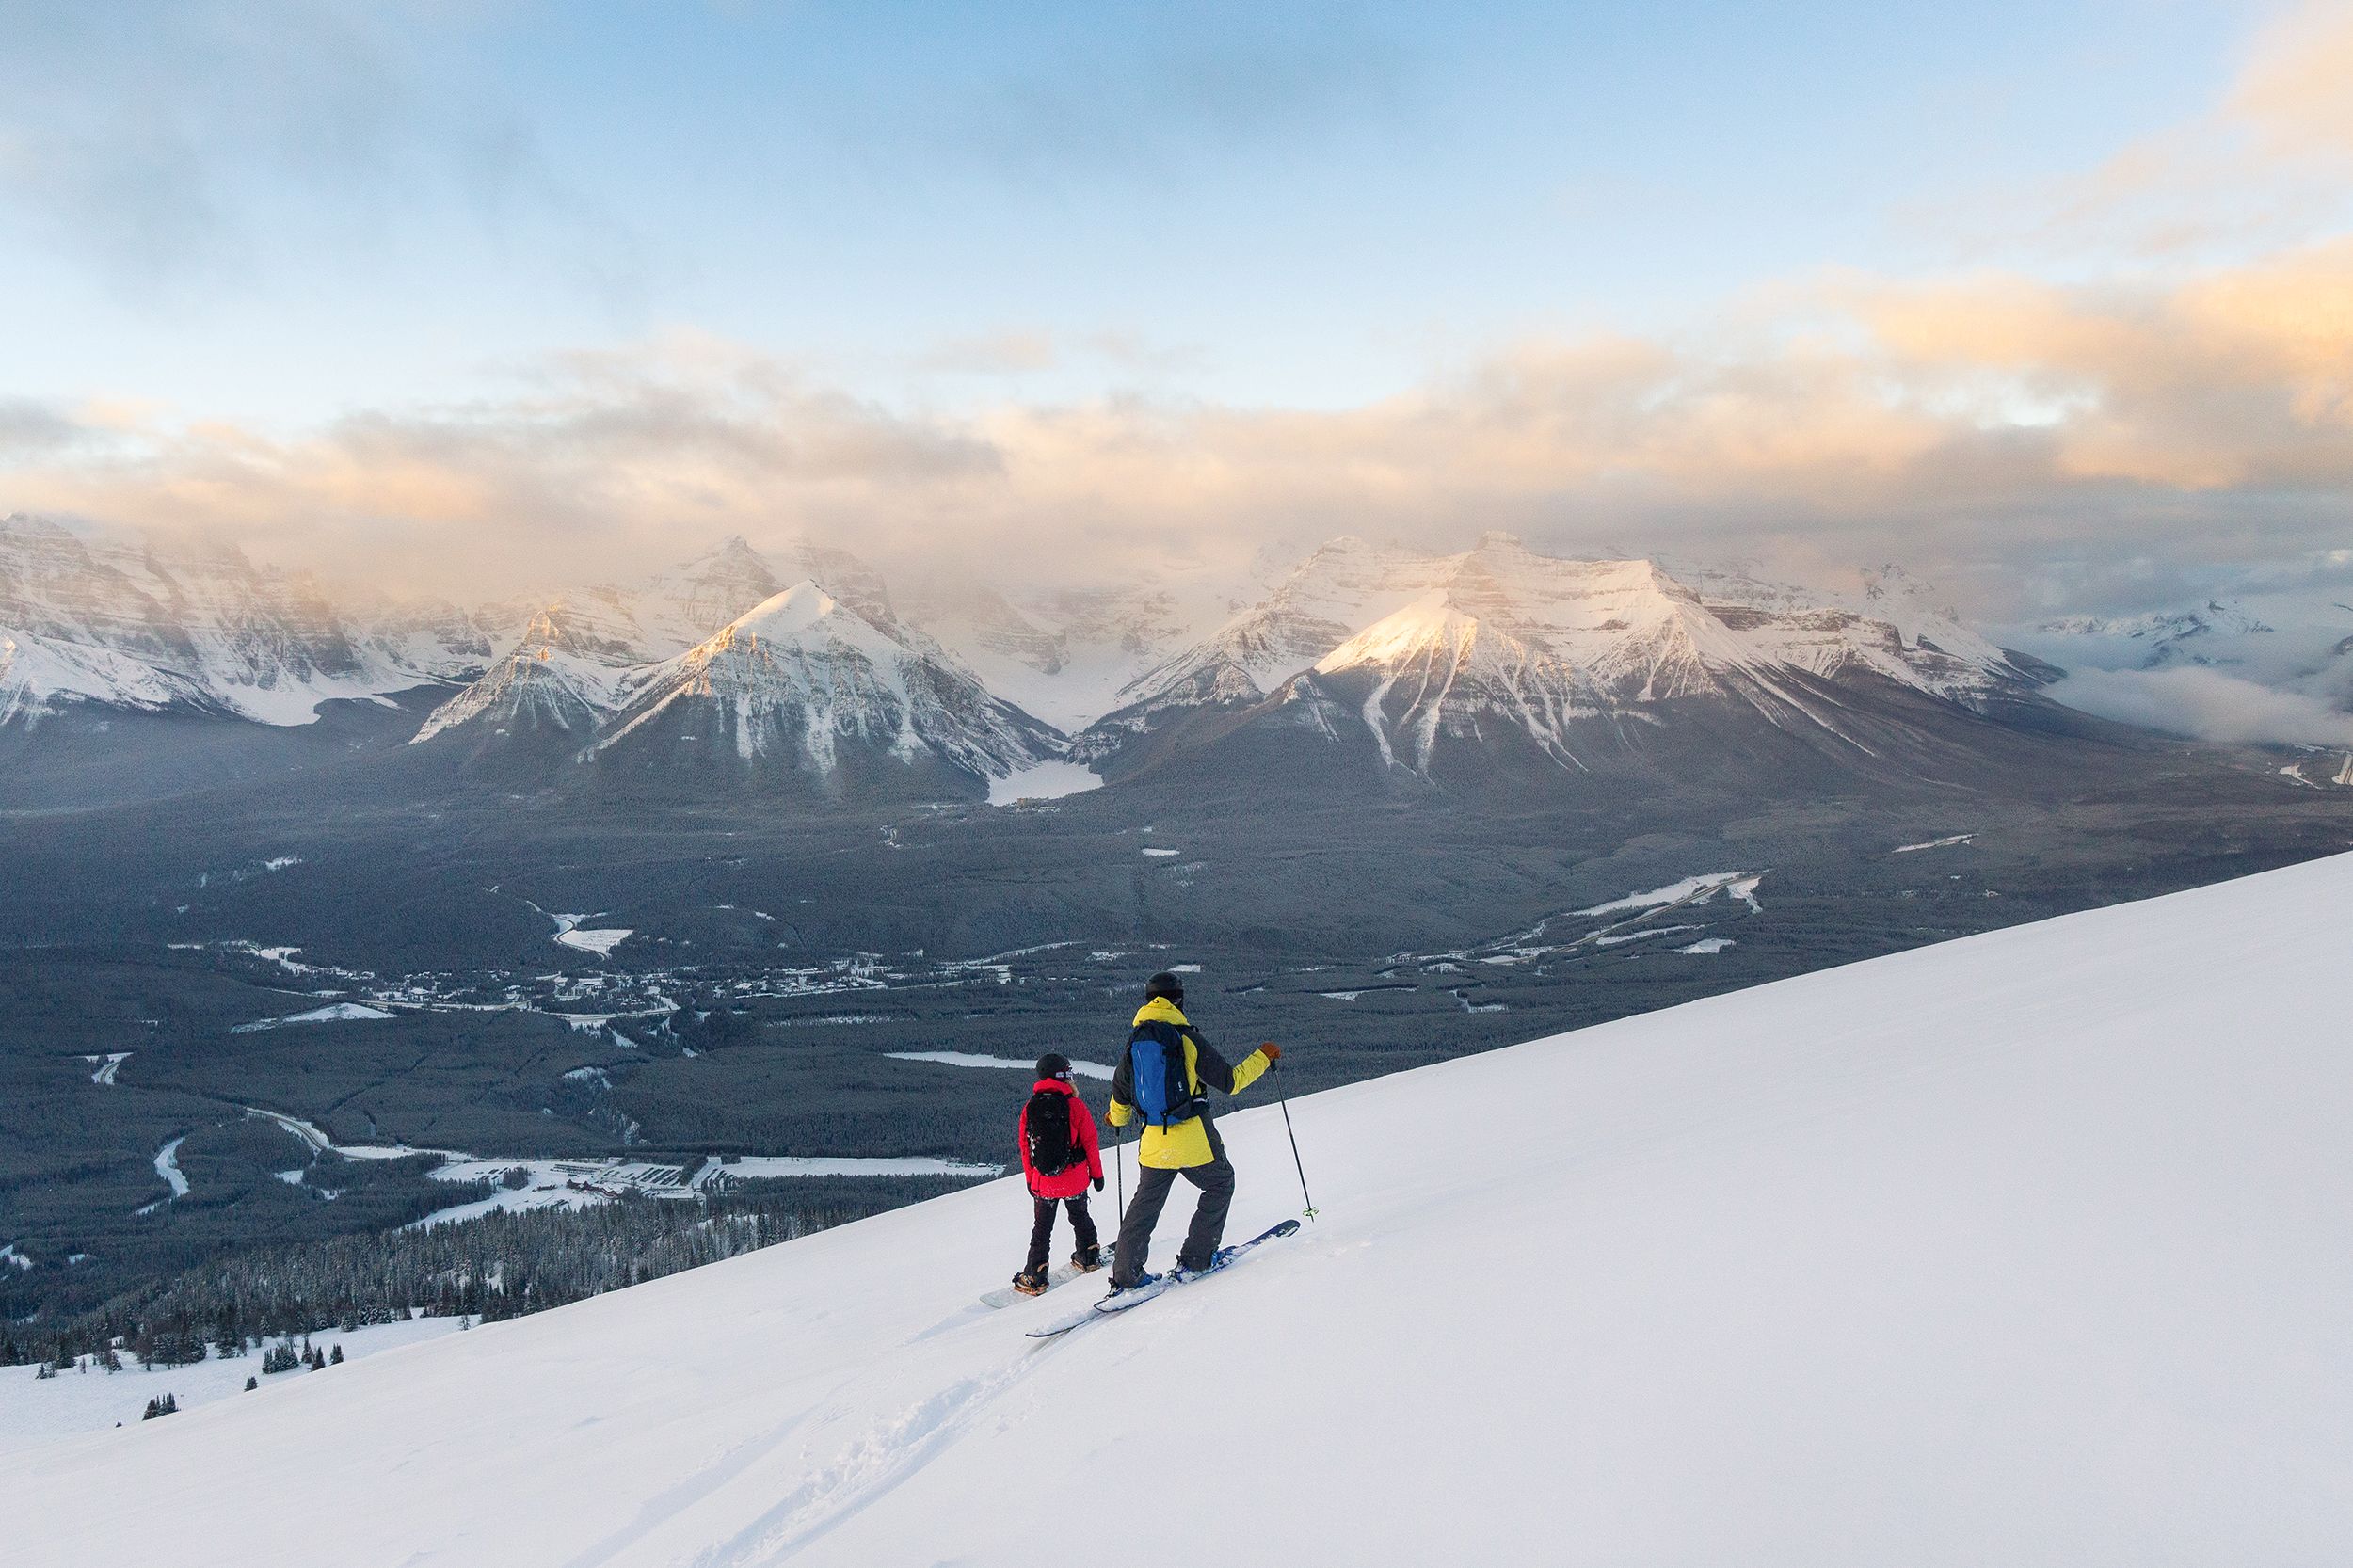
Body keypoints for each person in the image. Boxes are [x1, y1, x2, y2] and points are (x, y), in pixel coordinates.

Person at [1106, 971, 1280, 1289]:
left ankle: (1126, 1276)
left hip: (1153, 1143)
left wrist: (1116, 1120)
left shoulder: (1135, 1043)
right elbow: (1231, 1082)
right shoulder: (1187, 1039)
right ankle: (1196, 1259)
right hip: (1194, 1138)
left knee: (1144, 1206)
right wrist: (1263, 1058)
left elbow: (1120, 1093)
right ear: (1179, 1000)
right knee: (1220, 1184)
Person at [1012, 1052, 1106, 1296]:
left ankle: (1035, 1275)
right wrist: (1097, 1175)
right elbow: (1090, 1143)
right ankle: (1088, 1256)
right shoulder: (1075, 1106)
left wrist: (1031, 1180)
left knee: (1042, 1229)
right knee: (1080, 1216)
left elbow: (1026, 1147)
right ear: (1064, 1075)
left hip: (1045, 1182)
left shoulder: (1030, 1107)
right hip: (1074, 1179)